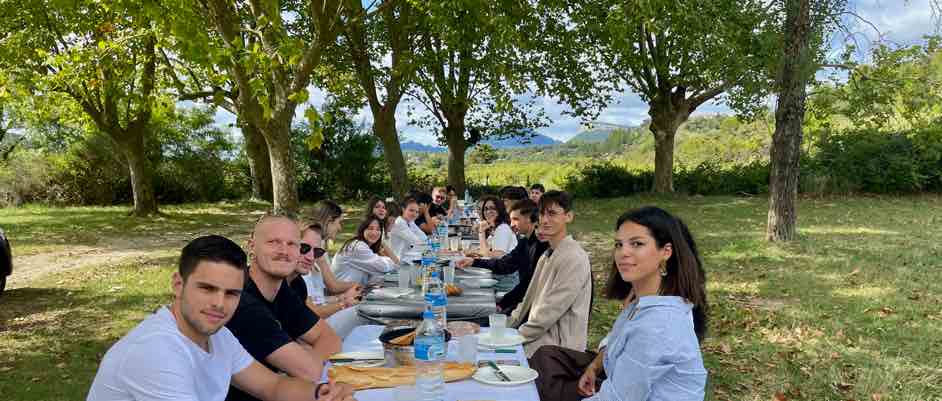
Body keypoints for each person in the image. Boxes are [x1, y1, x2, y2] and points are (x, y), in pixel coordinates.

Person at [86, 235, 355, 401]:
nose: (218, 303)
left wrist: (321, 394)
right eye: (207, 288)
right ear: (178, 285)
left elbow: (271, 387)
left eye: (231, 293)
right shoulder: (156, 352)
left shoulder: (218, 335)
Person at [529, 207, 709, 401]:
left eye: (637, 244)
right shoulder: (646, 302)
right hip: (615, 382)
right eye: (619, 244)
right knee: (545, 361)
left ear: (665, 252)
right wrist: (594, 367)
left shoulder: (658, 325)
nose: (623, 252)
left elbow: (617, 398)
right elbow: (616, 341)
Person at [226, 213, 343, 401]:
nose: (284, 251)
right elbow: (309, 371)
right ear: (252, 246)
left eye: (292, 244)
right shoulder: (241, 300)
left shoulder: (282, 291)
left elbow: (330, 338)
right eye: (273, 242)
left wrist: (308, 359)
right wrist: (306, 362)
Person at [507, 190, 591, 358]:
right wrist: (507, 325)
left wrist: (513, 337)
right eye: (541, 214)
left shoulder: (573, 257)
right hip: (537, 340)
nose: (544, 220)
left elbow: (549, 312)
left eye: (552, 213)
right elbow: (528, 300)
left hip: (557, 353)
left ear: (568, 216)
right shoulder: (548, 254)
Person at [456, 199, 547, 314]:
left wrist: (503, 304)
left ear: (529, 219)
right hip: (522, 297)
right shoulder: (525, 242)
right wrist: (473, 262)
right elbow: (504, 264)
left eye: (516, 219)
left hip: (534, 306)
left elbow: (528, 284)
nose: (512, 224)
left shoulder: (540, 245)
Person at [289, 223, 363, 337]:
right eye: (304, 248)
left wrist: (341, 298)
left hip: (316, 327)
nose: (311, 257)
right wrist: (344, 303)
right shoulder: (297, 277)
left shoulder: (300, 277)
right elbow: (314, 311)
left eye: (317, 252)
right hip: (318, 325)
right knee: (363, 312)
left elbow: (318, 299)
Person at [332, 216, 399, 286]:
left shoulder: (368, 247)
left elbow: (395, 264)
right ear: (362, 229)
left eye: (378, 230)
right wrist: (387, 260)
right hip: (341, 293)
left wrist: (382, 246)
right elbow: (384, 267)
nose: (374, 233)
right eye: (370, 228)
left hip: (352, 291)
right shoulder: (357, 246)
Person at [388, 196, 428, 261]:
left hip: (409, 257)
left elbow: (424, 237)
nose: (414, 214)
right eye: (411, 210)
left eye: (417, 212)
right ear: (403, 209)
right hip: (399, 260)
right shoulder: (399, 223)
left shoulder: (410, 221)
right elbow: (417, 241)